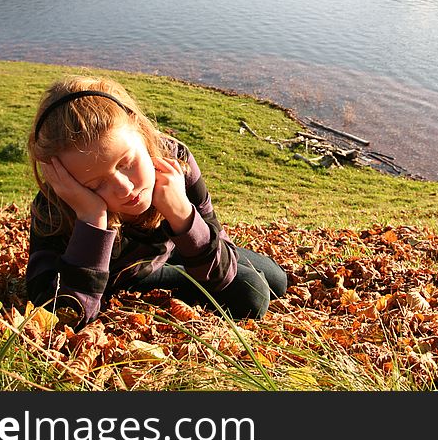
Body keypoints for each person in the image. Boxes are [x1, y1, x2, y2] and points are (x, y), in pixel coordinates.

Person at [25, 74, 287, 330]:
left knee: (278, 279)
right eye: (95, 185)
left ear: (141, 131)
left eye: (127, 163)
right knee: (252, 294)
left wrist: (182, 214)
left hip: (176, 250)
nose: (124, 188)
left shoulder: (175, 160)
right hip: (128, 274)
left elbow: (218, 237)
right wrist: (91, 221)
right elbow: (58, 318)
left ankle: (184, 261)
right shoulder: (53, 207)